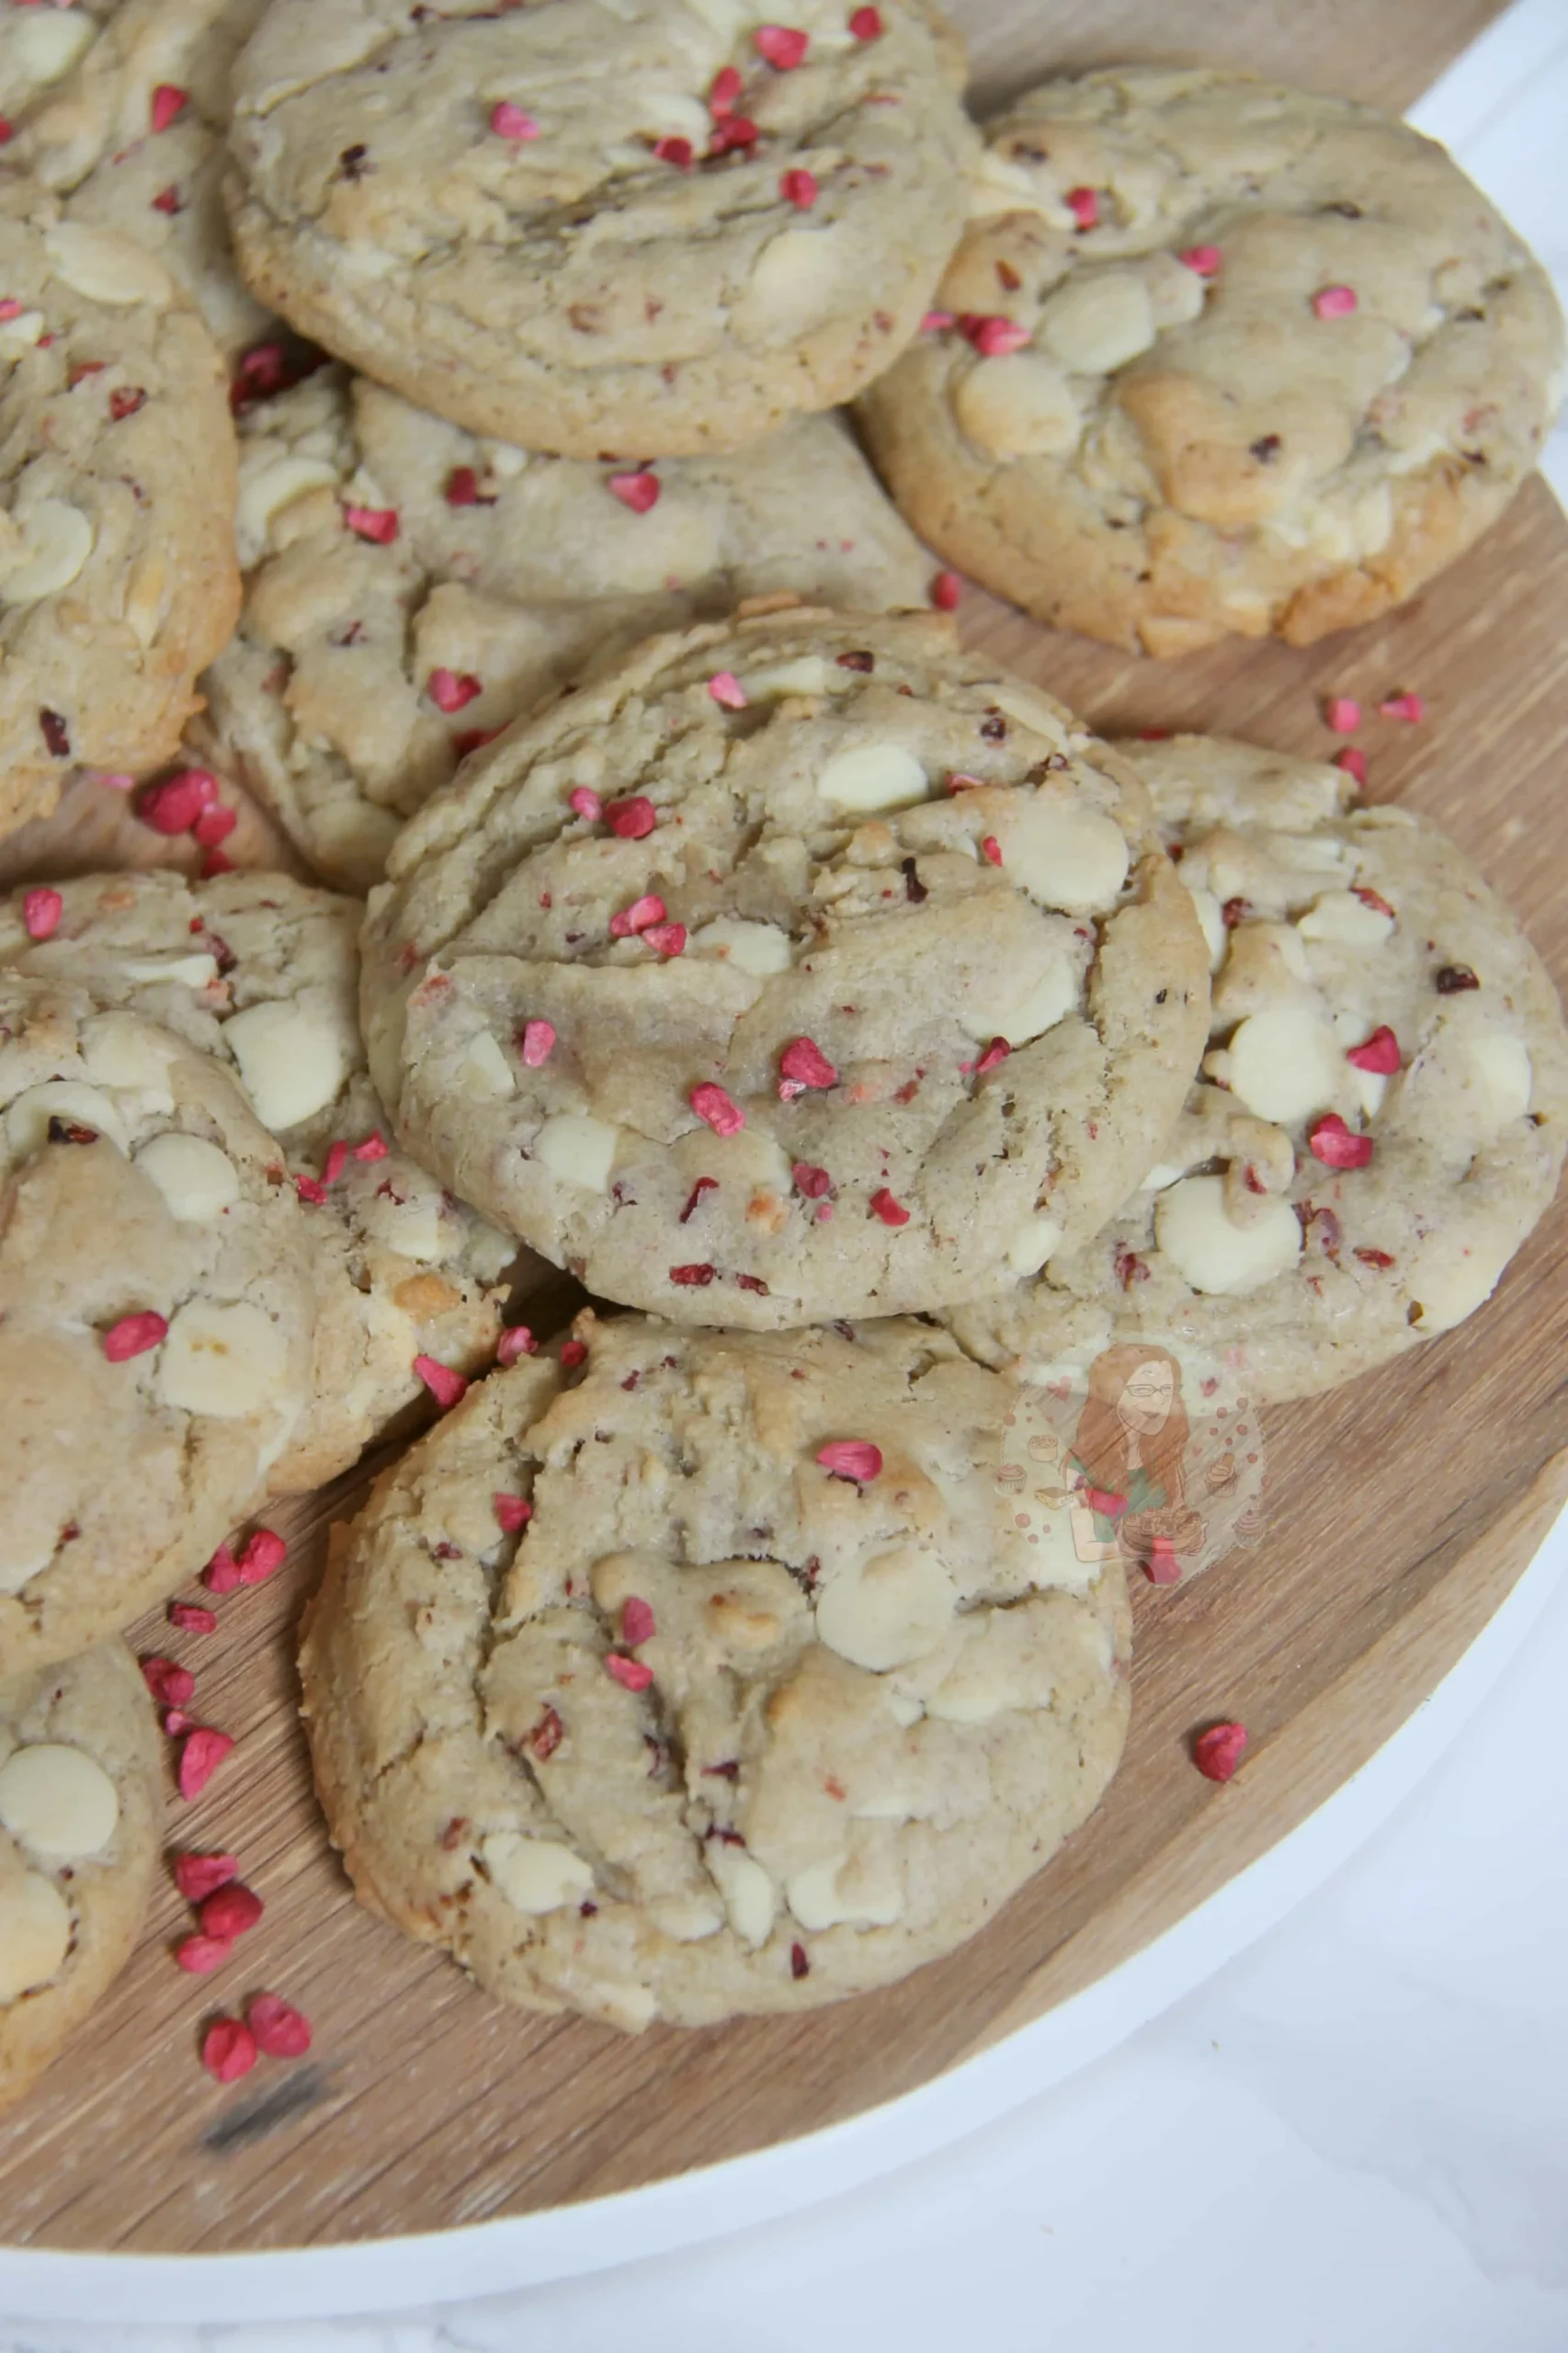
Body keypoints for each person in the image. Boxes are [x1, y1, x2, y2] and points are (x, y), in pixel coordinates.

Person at [1066, 1343, 1203, 1580]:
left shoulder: (1159, 1458)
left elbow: (1168, 1502)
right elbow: (1067, 1488)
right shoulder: (1091, 1450)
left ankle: (1161, 1554)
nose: (1159, 1401)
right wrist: (1096, 1499)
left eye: (1167, 1390)